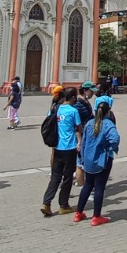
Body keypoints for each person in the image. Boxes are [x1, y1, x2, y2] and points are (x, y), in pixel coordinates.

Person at [75, 99, 120, 226]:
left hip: (88, 158)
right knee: (99, 187)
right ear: (108, 112)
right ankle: (96, 216)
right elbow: (115, 138)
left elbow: (83, 142)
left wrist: (83, 157)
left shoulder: (89, 123)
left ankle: (78, 213)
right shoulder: (108, 124)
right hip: (102, 159)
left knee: (88, 185)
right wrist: (108, 146)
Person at [42, 88, 81, 216]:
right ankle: (63, 205)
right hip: (69, 147)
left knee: (55, 176)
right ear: (73, 98)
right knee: (68, 177)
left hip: (57, 147)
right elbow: (78, 128)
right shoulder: (73, 111)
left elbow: (49, 122)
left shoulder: (55, 108)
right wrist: (80, 142)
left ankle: (46, 202)